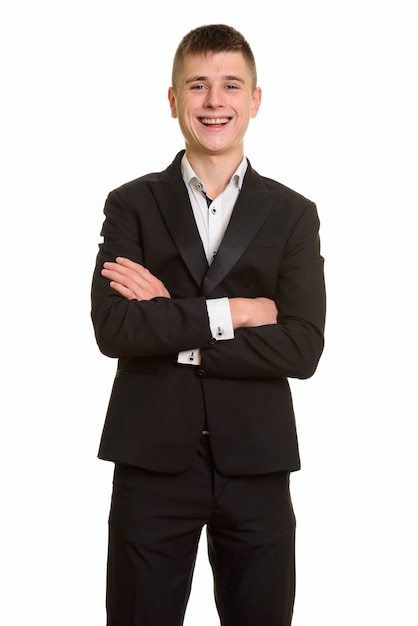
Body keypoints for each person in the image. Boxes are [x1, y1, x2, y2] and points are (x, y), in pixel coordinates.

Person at [91, 23, 326, 626]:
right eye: (197, 85)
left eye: (230, 85)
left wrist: (174, 325)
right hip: (151, 463)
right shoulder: (131, 204)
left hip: (256, 462)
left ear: (255, 100)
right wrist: (237, 313)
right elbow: (115, 329)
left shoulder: (293, 214)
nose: (214, 101)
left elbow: (302, 346)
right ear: (173, 101)